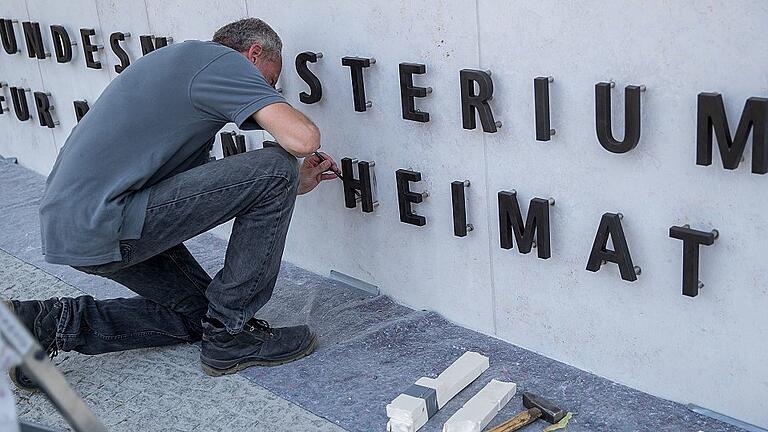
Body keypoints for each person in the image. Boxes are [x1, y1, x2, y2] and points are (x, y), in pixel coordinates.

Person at [3, 17, 337, 389]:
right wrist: (286, 171)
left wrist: (293, 184)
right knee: (276, 166)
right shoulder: (220, 60)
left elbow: (198, 192)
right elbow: (303, 140)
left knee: (200, 318)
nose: (269, 90)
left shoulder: (179, 71)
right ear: (254, 53)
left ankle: (42, 323)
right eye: (270, 81)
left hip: (77, 229)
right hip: (109, 220)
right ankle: (231, 334)